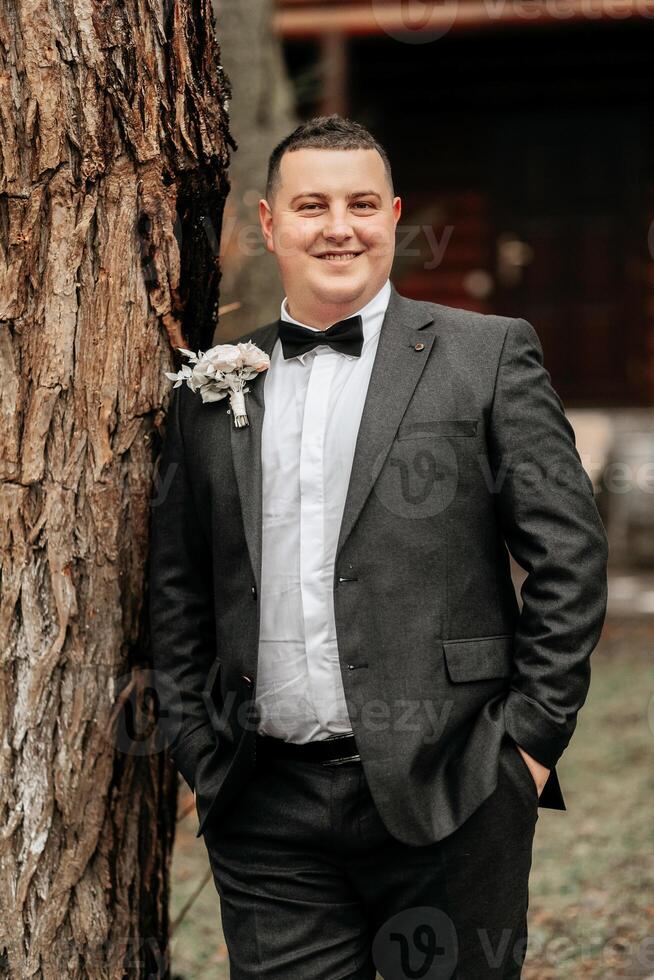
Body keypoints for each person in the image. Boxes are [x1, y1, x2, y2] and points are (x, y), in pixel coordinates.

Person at [149, 115, 608, 979]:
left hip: (455, 787)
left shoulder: (486, 356)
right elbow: (178, 585)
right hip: (264, 805)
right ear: (269, 222)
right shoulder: (212, 384)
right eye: (312, 204)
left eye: (362, 203)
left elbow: (570, 558)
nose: (339, 226)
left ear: (394, 216)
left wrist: (527, 750)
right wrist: (198, 750)